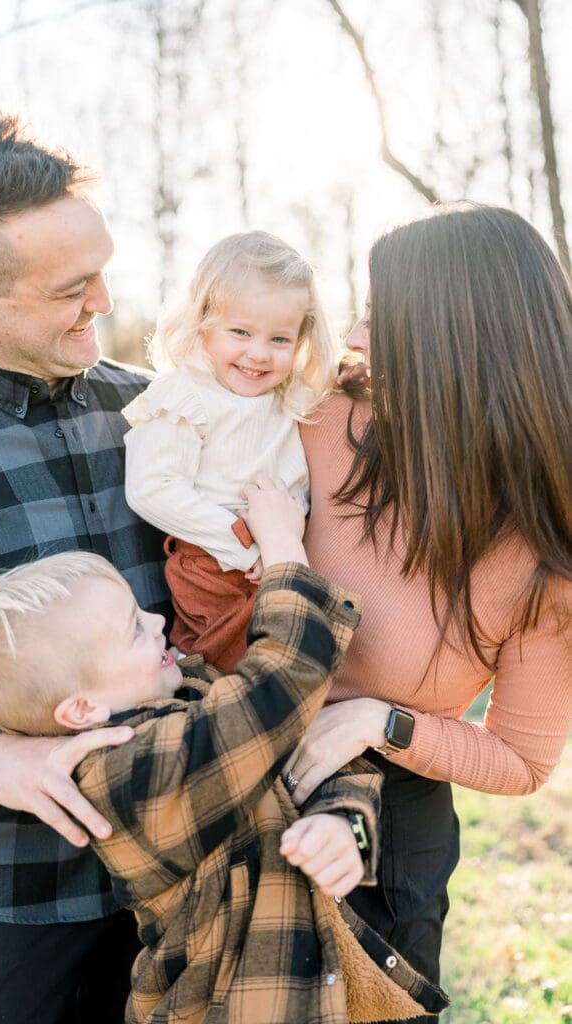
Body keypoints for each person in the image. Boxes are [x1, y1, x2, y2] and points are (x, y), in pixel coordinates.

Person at [0, 479, 449, 1024]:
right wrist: (286, 545)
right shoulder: (125, 772)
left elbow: (316, 760)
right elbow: (280, 688)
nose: (157, 621)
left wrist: (344, 826)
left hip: (302, 987)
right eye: (132, 630)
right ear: (80, 711)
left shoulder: (194, 697)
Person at [0, 114, 171, 1023]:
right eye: (69, 289)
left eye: (102, 270)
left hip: (184, 877)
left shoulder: (166, 417)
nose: (103, 301)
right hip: (1, 895)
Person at [288, 202, 572, 1023]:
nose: (350, 335)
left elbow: (521, 762)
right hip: (234, 775)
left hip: (393, 834)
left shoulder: (542, 550)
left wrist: (383, 721)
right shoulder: (315, 418)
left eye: (377, 316)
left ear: (450, 340)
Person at [122, 230, 337, 670]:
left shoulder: (287, 396)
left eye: (279, 340)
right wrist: (246, 546)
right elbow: (152, 487)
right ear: (204, 323)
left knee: (296, 664)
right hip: (215, 564)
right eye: (240, 332)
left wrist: (282, 544)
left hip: (284, 553)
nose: (258, 354)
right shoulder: (184, 394)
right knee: (228, 668)